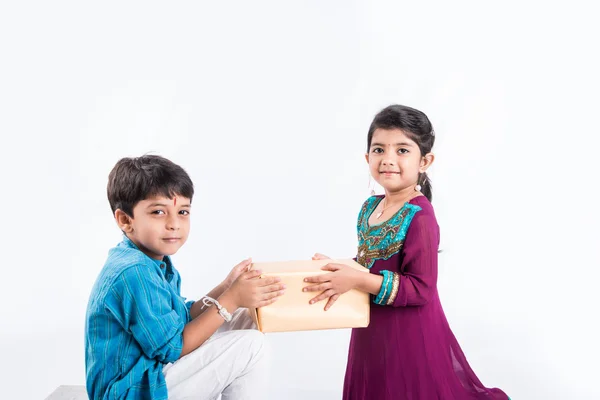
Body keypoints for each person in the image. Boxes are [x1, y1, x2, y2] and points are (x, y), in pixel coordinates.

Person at [303, 105, 510, 399]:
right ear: (367, 158)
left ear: (425, 160)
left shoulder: (420, 215)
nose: (388, 159)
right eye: (379, 150)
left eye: (402, 150)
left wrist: (356, 279)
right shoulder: (369, 208)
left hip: (410, 334)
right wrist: (339, 267)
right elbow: (369, 264)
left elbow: (421, 288)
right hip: (371, 331)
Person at [85, 154, 286, 400]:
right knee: (252, 346)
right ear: (126, 220)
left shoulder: (151, 263)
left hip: (150, 374)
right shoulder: (133, 272)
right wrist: (230, 299)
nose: (174, 224)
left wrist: (226, 288)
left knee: (247, 319)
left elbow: (181, 318)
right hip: (131, 391)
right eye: (158, 212)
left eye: (182, 212)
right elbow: (173, 347)